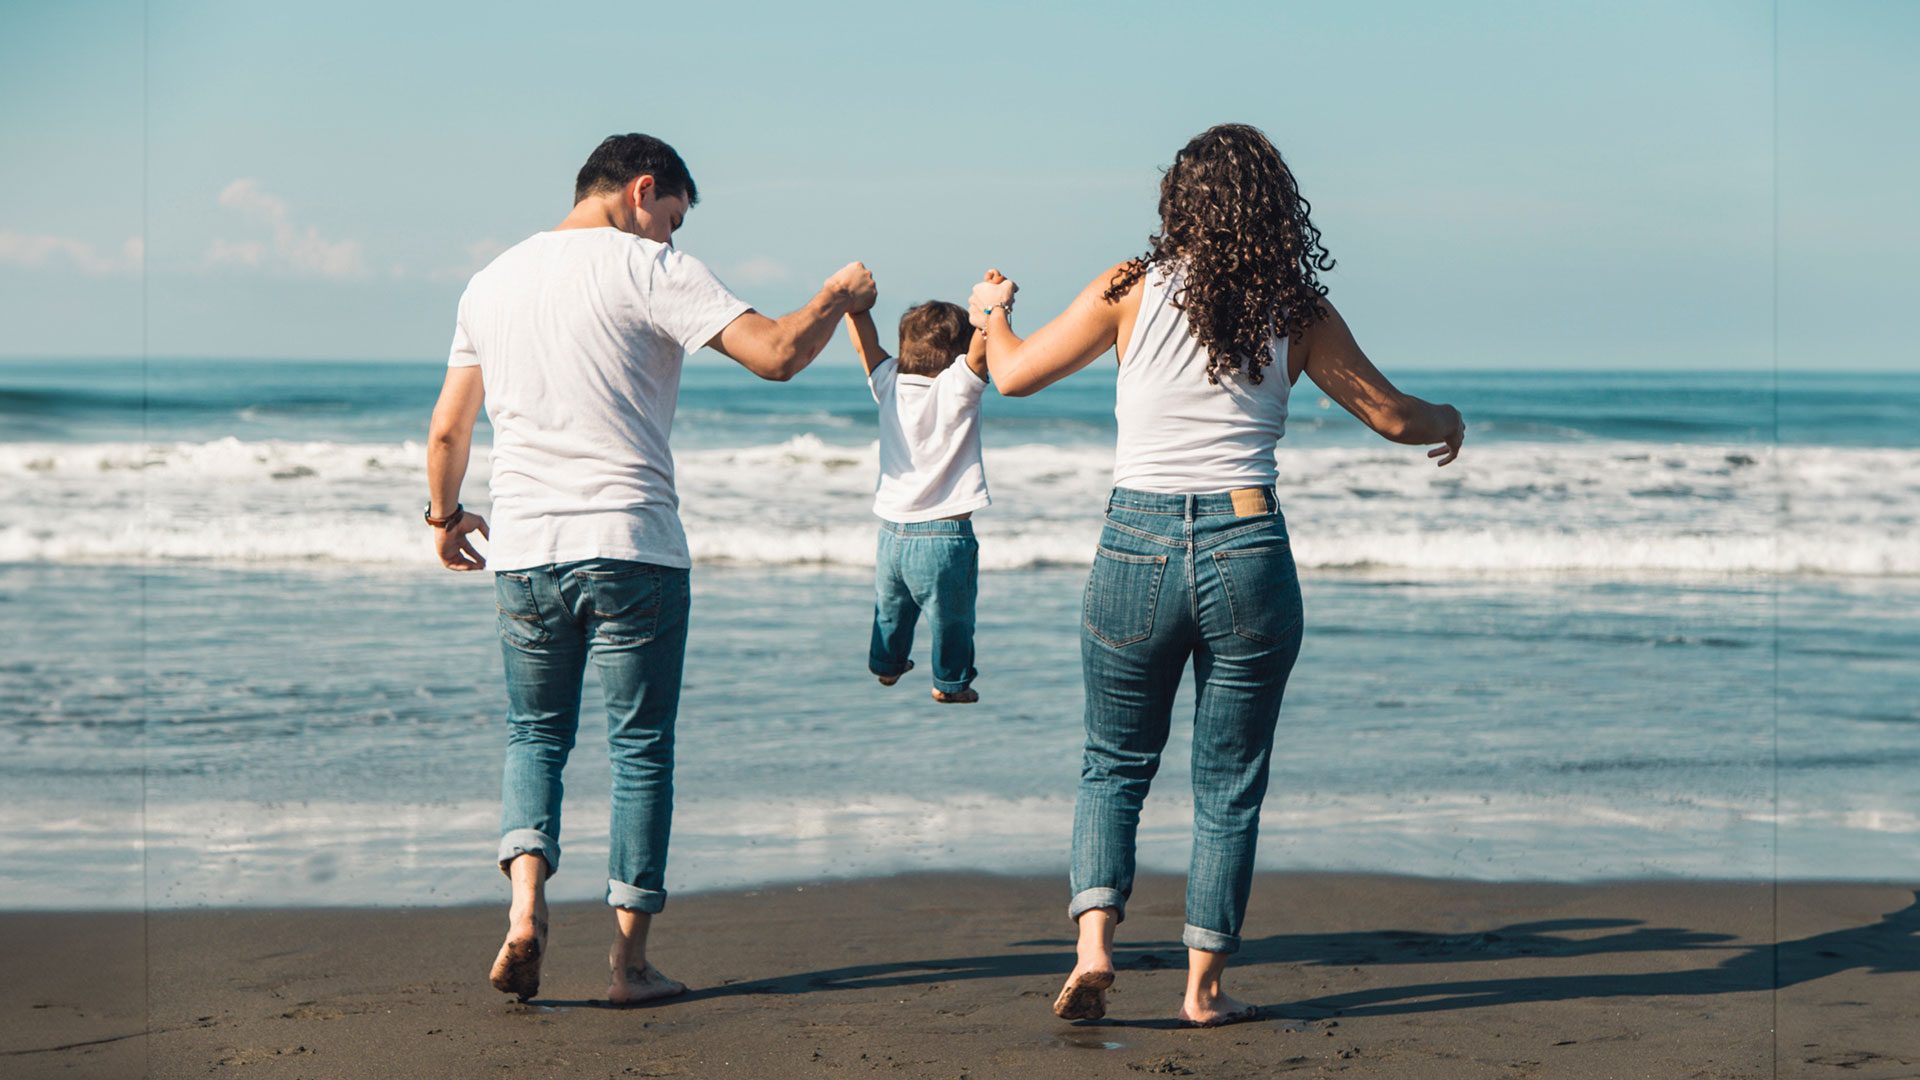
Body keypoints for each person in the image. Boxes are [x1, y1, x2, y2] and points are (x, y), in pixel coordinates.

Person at [967, 123, 1465, 1026]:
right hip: (1247, 546)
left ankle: (1093, 949)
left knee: (1112, 763)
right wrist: (1451, 420)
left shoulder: (1130, 285)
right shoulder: (1297, 307)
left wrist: (990, 310)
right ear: (1274, 207)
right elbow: (1392, 417)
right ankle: (1202, 990)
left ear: (1177, 203)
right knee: (1228, 781)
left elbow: (1012, 376)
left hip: (1134, 542)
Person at [424, 133, 876, 1005]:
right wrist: (837, 295)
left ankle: (525, 910)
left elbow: (449, 430)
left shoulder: (490, 283)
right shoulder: (651, 268)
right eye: (667, 218)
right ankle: (629, 967)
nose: (668, 235)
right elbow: (778, 353)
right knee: (639, 753)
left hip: (525, 554)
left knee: (533, 737)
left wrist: (445, 519)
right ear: (641, 191)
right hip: (633, 546)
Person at [843, 301, 991, 703]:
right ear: (956, 352)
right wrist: (993, 305)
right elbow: (982, 349)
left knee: (890, 609)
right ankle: (951, 684)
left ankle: (886, 667)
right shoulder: (957, 384)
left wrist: (855, 309)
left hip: (891, 535)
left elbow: (865, 346)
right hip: (944, 537)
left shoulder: (888, 381)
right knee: (952, 621)